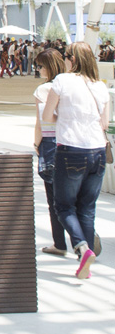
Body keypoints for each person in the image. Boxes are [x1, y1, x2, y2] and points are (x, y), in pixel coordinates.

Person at [43, 41, 109, 279]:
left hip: (71, 149)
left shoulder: (62, 81)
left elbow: (47, 116)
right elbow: (104, 124)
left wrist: (65, 117)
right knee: (87, 208)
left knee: (63, 206)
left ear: (72, 59)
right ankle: (85, 262)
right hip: (98, 151)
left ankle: (82, 247)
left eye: (66, 57)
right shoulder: (100, 86)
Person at [33, 48, 70, 257]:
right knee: (73, 196)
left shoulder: (44, 90)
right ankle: (82, 237)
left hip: (50, 143)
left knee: (53, 198)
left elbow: (40, 122)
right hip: (72, 142)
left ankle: (60, 242)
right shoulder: (71, 86)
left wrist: (36, 143)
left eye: (40, 66)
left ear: (48, 67)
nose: (38, 70)